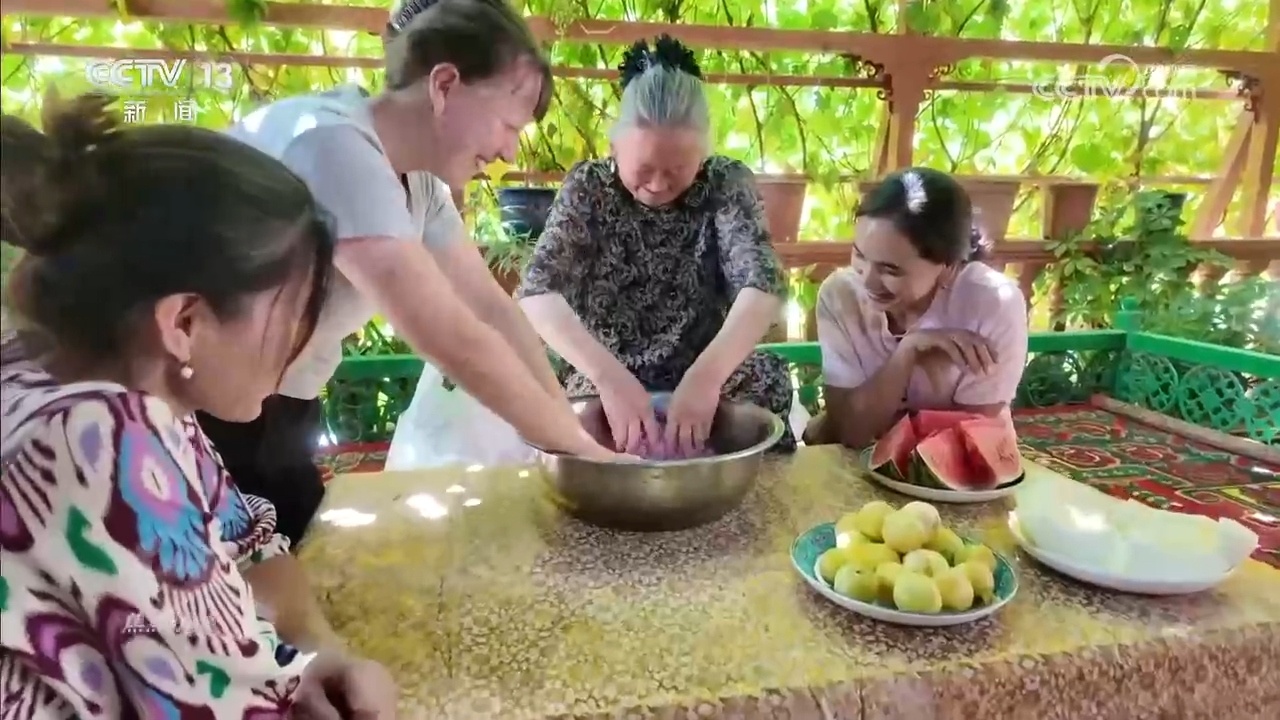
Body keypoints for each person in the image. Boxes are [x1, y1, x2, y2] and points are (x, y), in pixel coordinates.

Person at [0, 94, 395, 718]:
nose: (302, 345)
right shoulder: (96, 437)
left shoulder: (135, 405)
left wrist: (318, 653)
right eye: (292, 313)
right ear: (184, 321)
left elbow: (255, 546)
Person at [205, 0, 622, 545]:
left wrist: (564, 429)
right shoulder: (333, 145)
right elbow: (450, 337)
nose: (507, 151)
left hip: (278, 408)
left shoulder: (419, 185)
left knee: (302, 573)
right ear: (444, 85)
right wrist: (580, 452)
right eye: (506, 123)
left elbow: (490, 309)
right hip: (191, 409)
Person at [517, 36, 796, 458]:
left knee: (768, 379)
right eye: (643, 168)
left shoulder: (725, 183)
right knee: (578, 416)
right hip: (607, 375)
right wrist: (611, 379)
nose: (659, 184)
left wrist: (706, 376)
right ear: (615, 146)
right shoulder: (590, 187)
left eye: (678, 169)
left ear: (702, 155)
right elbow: (538, 294)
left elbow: (762, 286)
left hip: (707, 373)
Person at [803, 167, 1029, 450]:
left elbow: (969, 438)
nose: (867, 280)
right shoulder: (840, 295)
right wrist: (907, 351)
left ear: (949, 266)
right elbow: (850, 431)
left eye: (891, 270)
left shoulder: (994, 304)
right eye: (859, 255)